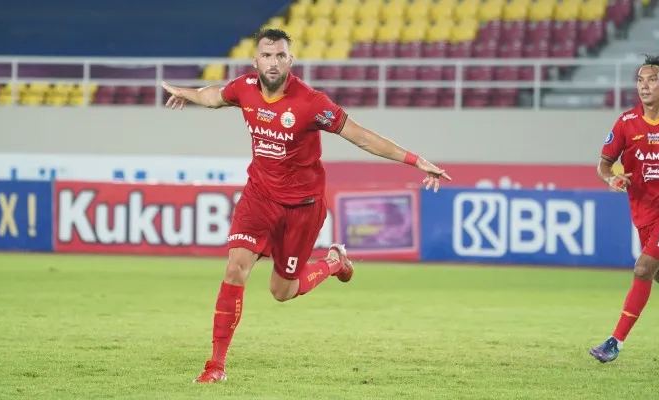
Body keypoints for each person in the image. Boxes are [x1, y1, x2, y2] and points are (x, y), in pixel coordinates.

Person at [160, 28, 451, 383]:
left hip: (302, 207)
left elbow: (360, 135)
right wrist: (187, 94)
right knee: (236, 267)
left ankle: (332, 263)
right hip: (259, 197)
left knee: (282, 291)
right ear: (256, 61)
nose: (273, 62)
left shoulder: (311, 103)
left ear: (290, 60)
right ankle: (216, 366)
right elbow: (213, 96)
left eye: (280, 55)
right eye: (267, 55)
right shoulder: (244, 88)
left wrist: (415, 160)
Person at [591, 54, 659, 363]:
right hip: (643, 211)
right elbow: (604, 164)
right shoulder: (626, 122)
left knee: (643, 268)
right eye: (640, 80)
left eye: (652, 80)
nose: (644, 86)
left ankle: (614, 342)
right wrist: (612, 179)